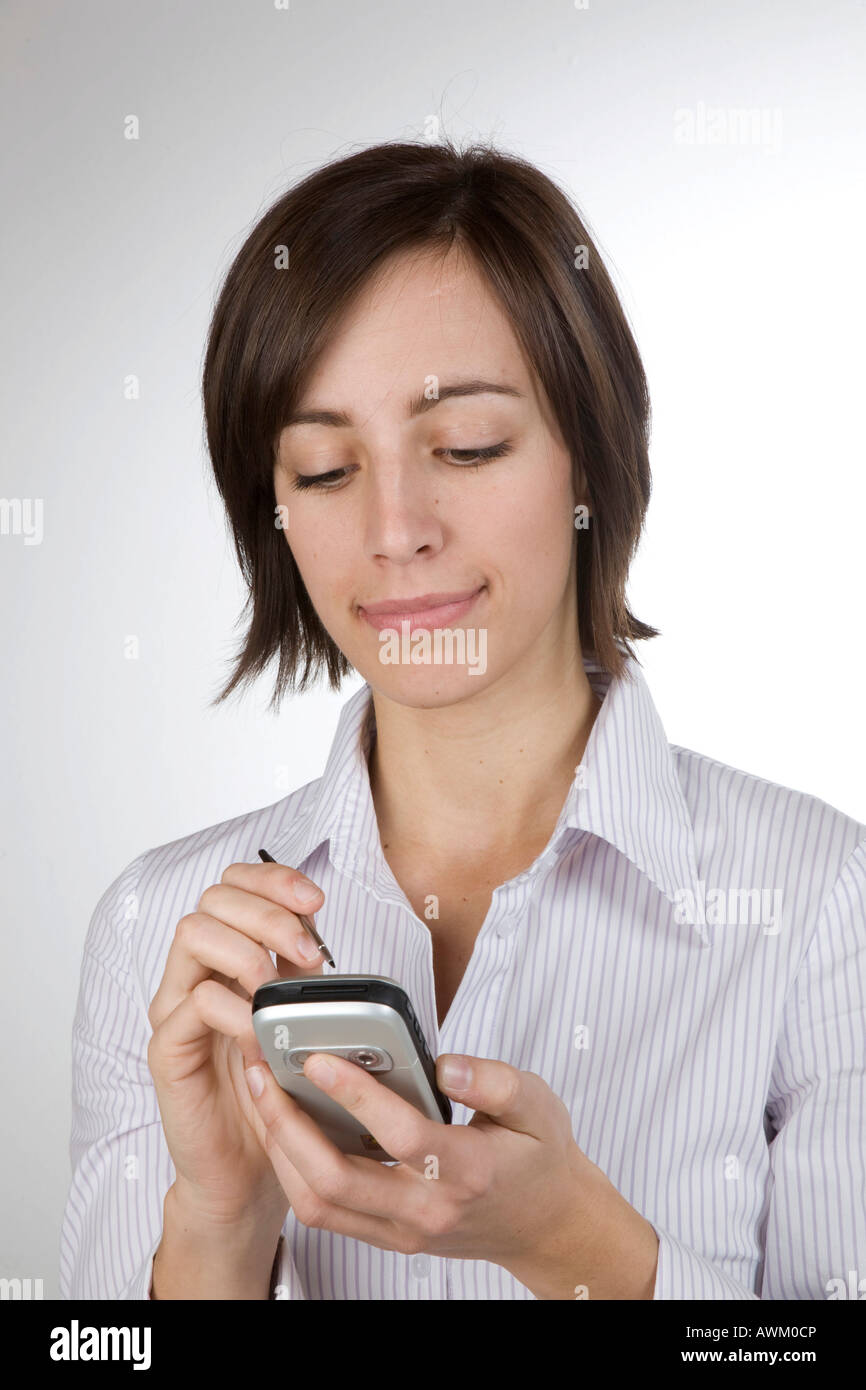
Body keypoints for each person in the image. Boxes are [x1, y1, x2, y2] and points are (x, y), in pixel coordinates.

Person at [60, 139, 866, 1301]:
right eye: (326, 469)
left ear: (588, 455)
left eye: (466, 447)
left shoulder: (822, 904)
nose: (396, 527)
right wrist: (219, 1225)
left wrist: (581, 1254)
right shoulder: (163, 929)